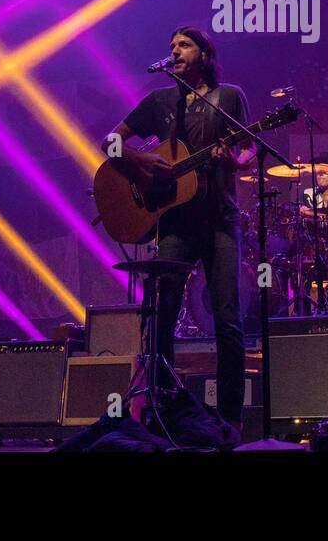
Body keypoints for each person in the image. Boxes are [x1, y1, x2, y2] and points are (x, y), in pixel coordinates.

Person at [107, 26, 254, 437]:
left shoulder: (230, 97)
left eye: (184, 45)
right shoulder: (159, 101)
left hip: (220, 219)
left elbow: (248, 146)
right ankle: (165, 411)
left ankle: (230, 420)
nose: (174, 50)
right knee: (163, 314)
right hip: (174, 223)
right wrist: (140, 162)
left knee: (227, 319)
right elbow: (111, 143)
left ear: (205, 53)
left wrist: (238, 162)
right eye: (171, 45)